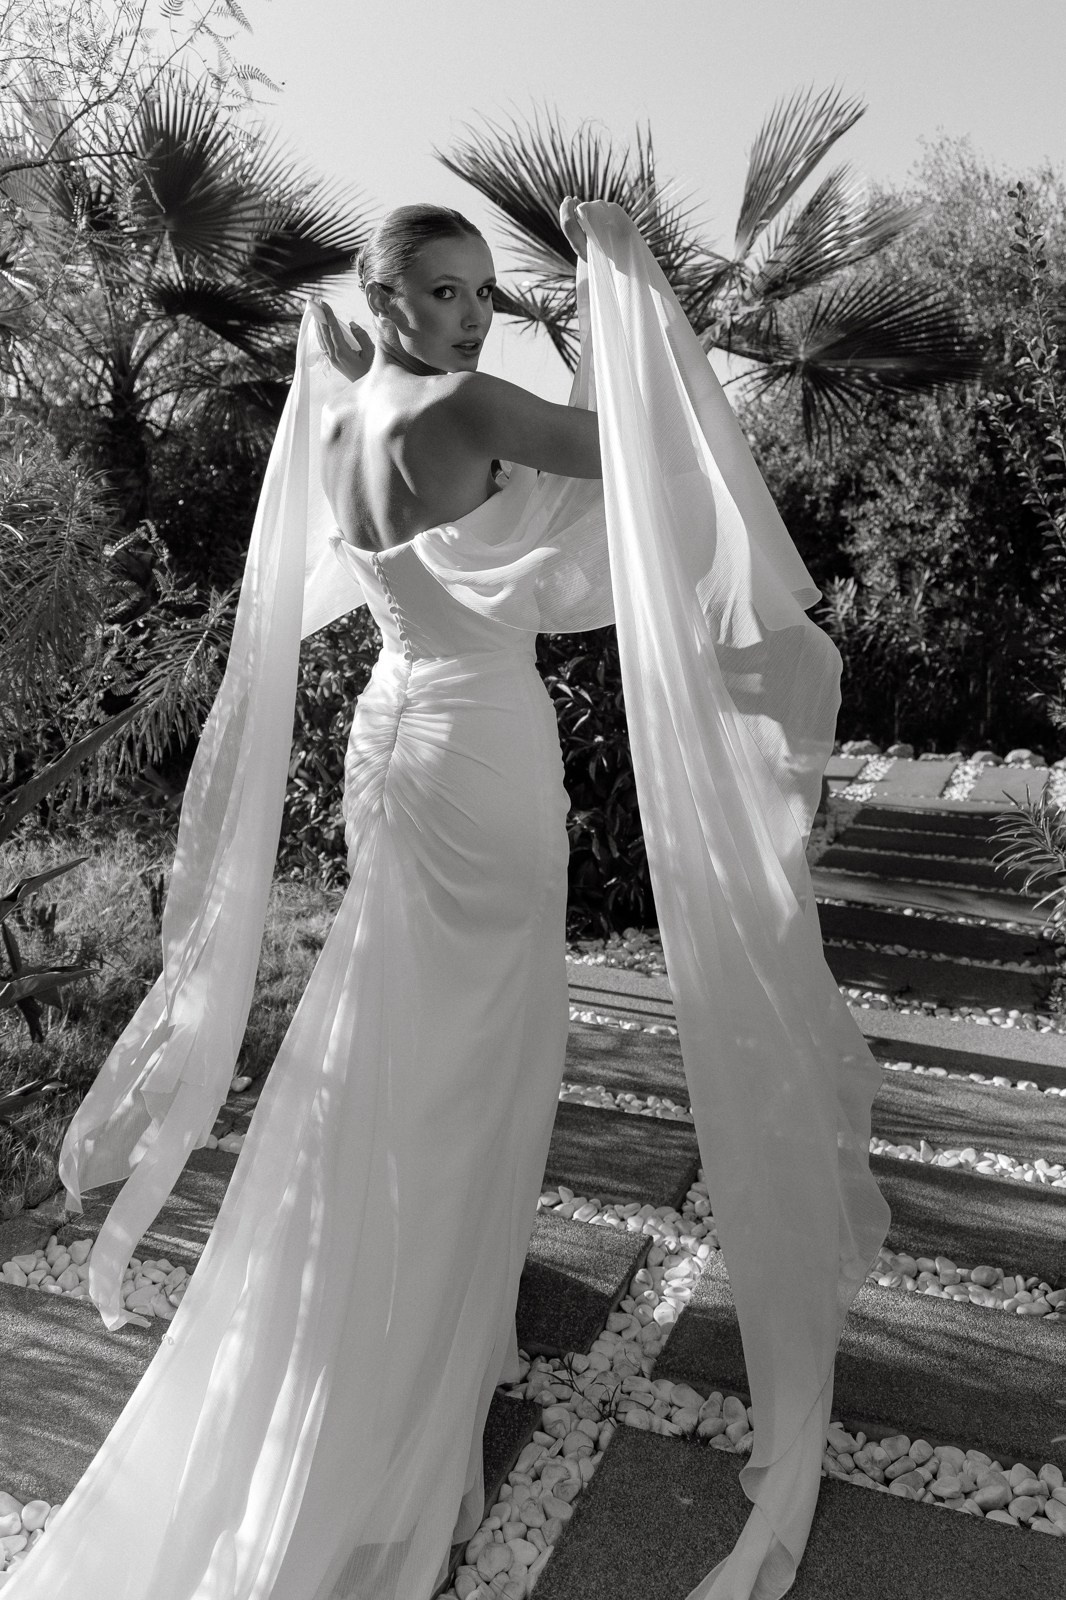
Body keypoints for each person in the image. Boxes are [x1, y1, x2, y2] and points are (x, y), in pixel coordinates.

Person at [5, 198, 888, 1600]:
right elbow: (664, 460)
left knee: (391, 1028)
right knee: (475, 1049)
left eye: (483, 292)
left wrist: (356, 350)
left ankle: (396, 1304)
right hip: (480, 749)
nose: (473, 316)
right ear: (396, 298)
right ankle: (418, 1339)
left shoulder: (344, 410)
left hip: (391, 729)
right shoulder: (473, 409)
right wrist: (624, 287)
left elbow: (368, 433)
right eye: (446, 292)